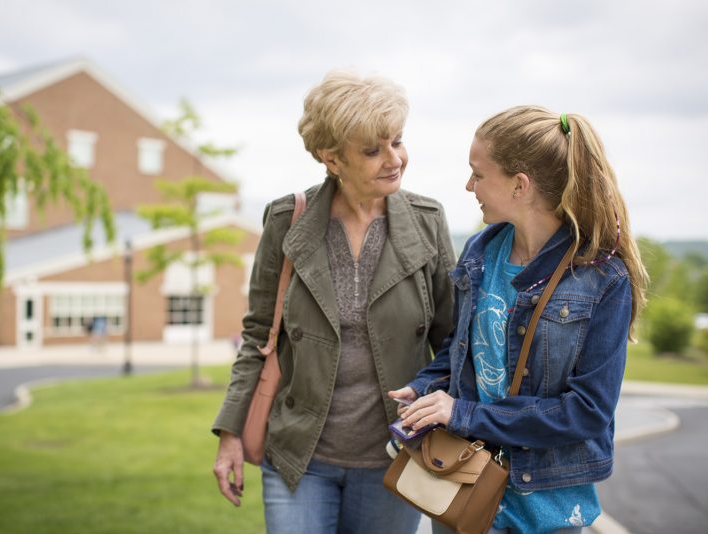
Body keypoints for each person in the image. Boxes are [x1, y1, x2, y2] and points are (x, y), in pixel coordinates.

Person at [212, 70, 457, 534]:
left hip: (395, 455)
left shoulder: (427, 221)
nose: (394, 159)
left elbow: (453, 341)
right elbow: (258, 335)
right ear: (331, 158)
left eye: (397, 141)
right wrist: (230, 435)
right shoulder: (287, 220)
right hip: (299, 457)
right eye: (372, 149)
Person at [389, 106, 648, 534]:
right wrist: (425, 386)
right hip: (463, 487)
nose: (468, 185)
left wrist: (464, 414)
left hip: (547, 504)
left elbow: (587, 411)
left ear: (520, 185)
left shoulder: (603, 278)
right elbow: (463, 345)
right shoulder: (480, 252)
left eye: (477, 173)